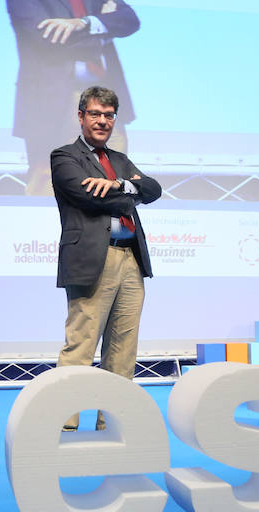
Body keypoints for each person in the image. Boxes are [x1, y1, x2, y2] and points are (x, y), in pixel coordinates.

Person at [52, 86, 161, 431]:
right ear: (81, 116)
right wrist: (128, 191)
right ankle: (64, 424)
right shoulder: (64, 156)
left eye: (109, 115)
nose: (102, 121)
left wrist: (120, 186)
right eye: (96, 114)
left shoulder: (119, 160)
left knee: (123, 349)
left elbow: (153, 190)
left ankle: (113, 425)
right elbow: (87, 197)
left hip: (130, 259)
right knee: (81, 346)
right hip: (92, 259)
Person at [6, 0, 140, 195]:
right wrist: (103, 31)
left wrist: (85, 23)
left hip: (104, 97)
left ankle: (104, 225)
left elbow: (129, 20)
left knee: (111, 180)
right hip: (54, 101)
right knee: (53, 183)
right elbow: (44, 37)